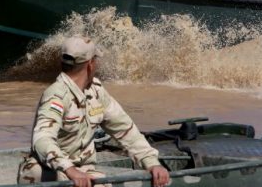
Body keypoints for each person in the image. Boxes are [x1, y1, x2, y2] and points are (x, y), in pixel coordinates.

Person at [17, 36, 171, 187]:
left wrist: (152, 163)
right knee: (36, 172)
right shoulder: (56, 96)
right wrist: (69, 169)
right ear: (90, 64)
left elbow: (125, 129)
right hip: (51, 170)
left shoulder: (96, 92)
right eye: (96, 61)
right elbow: (42, 139)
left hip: (84, 171)